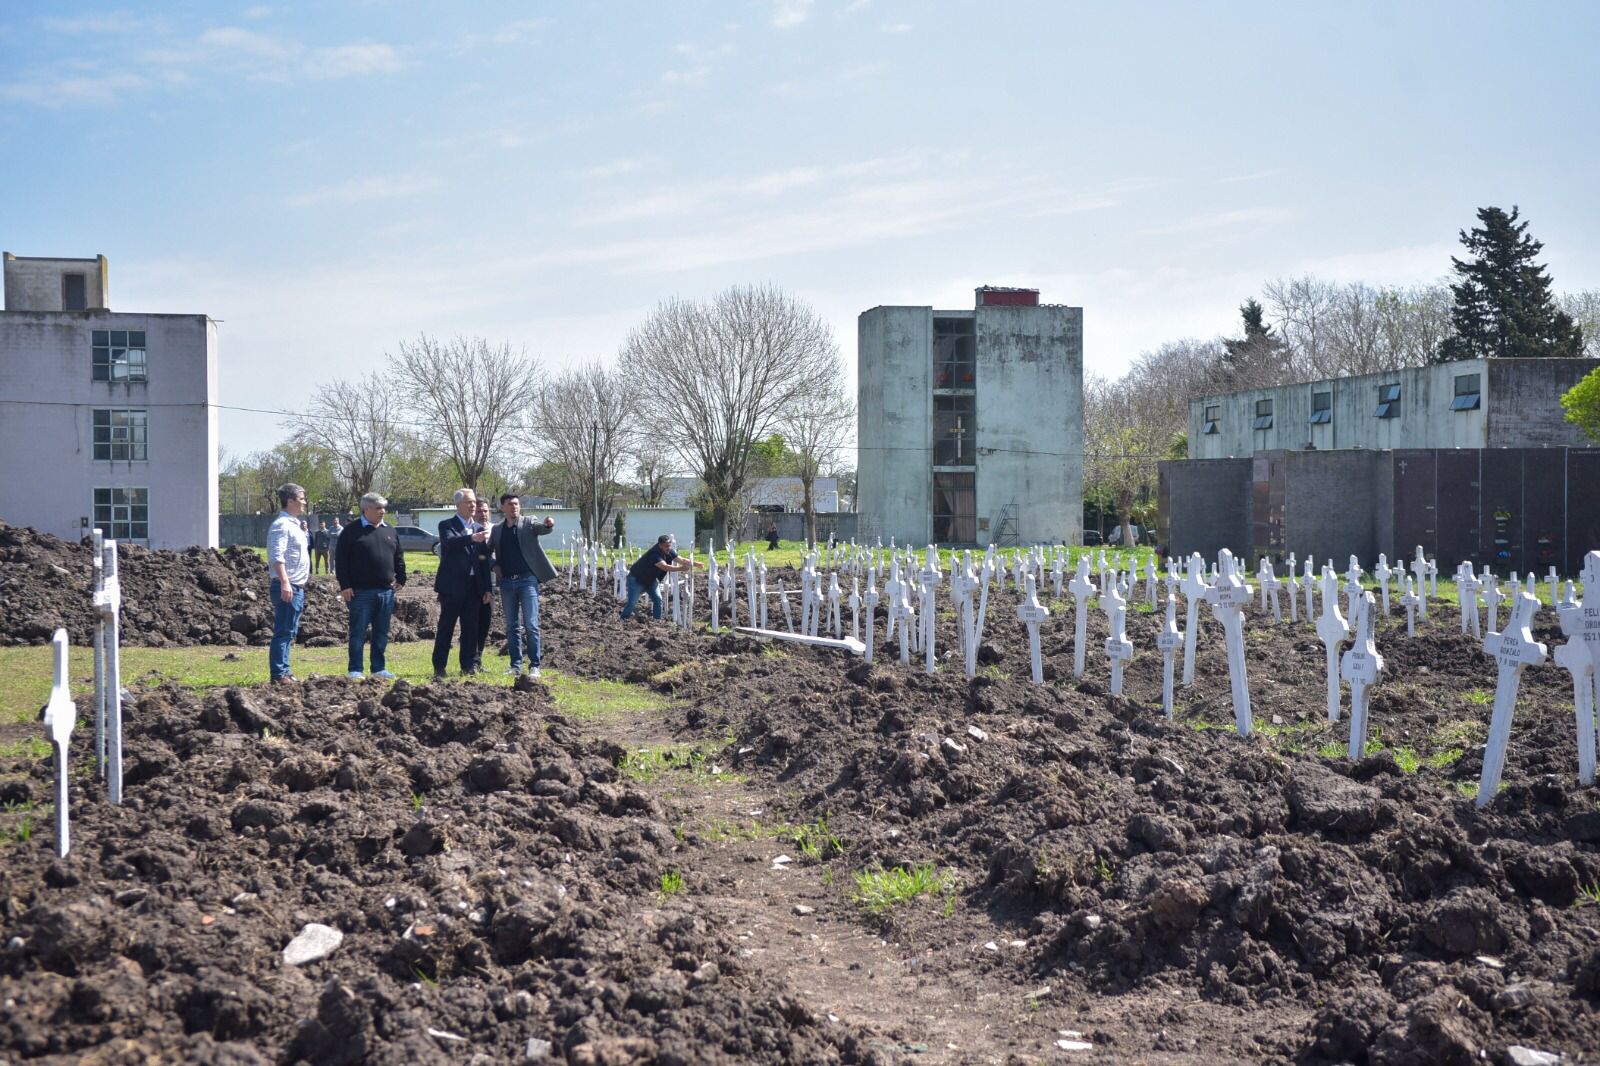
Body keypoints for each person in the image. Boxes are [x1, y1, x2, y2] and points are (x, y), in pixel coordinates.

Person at [335, 492, 406, 680]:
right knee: (358, 632)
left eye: (384, 508)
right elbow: (341, 560)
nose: (382, 511)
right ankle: (355, 669)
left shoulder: (390, 530)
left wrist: (402, 577)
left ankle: (378, 668)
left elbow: (398, 556)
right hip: (360, 592)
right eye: (378, 508)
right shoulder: (351, 531)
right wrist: (345, 585)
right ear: (366, 509)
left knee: (381, 632)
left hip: (386, 591)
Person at [489, 494, 557, 678]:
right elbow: (487, 553)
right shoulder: (496, 530)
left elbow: (541, 528)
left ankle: (535, 665)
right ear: (502, 507)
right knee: (512, 626)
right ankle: (515, 665)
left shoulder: (528, 522)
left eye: (517, 504)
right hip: (506, 583)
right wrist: (494, 565)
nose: (514, 507)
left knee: (531, 624)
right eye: (510, 504)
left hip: (527, 581)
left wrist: (548, 524)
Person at [431, 488, 491, 680]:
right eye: (468, 502)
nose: (473, 505)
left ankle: (468, 665)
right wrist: (471, 538)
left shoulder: (479, 529)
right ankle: (439, 666)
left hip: (474, 586)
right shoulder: (447, 525)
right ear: (458, 505)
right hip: (452, 587)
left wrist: (487, 588)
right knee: (446, 627)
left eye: (474, 502)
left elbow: (483, 560)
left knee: (471, 628)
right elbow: (449, 543)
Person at [266, 483, 310, 683]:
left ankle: (285, 671)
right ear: (290, 501)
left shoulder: (294, 524)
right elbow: (277, 556)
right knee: (283, 631)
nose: (304, 502)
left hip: (296, 586)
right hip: (288, 585)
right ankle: (279, 674)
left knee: (289, 631)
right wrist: (285, 582)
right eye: (301, 499)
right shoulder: (281, 525)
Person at [621, 533, 703, 620]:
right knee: (632, 602)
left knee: (658, 599)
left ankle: (657, 621)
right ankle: (623, 619)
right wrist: (681, 568)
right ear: (660, 545)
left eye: (669, 545)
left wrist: (696, 564)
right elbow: (665, 567)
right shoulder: (654, 554)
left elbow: (681, 560)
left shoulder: (669, 551)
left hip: (651, 579)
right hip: (637, 579)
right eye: (666, 546)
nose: (668, 548)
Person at [471, 496, 495, 671]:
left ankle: (478, 658)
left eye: (485, 511)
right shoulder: (469, 530)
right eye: (479, 511)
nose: (483, 514)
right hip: (472, 582)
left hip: (491, 582)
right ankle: (470, 659)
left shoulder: (496, 530)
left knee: (485, 622)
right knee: (472, 621)